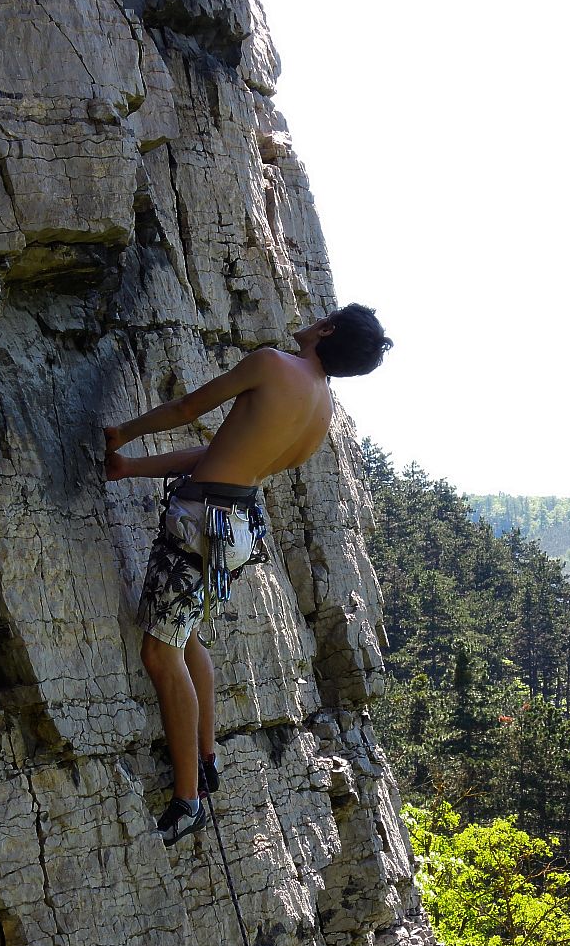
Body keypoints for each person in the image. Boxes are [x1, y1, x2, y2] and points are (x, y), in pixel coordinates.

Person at [104, 304, 392, 845]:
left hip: (195, 526)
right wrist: (131, 469)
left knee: (159, 651)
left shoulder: (271, 364)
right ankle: (207, 754)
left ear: (327, 330)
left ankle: (187, 799)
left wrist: (123, 433)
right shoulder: (322, 412)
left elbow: (189, 408)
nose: (311, 317)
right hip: (234, 529)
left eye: (323, 315)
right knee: (184, 637)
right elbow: (229, 459)